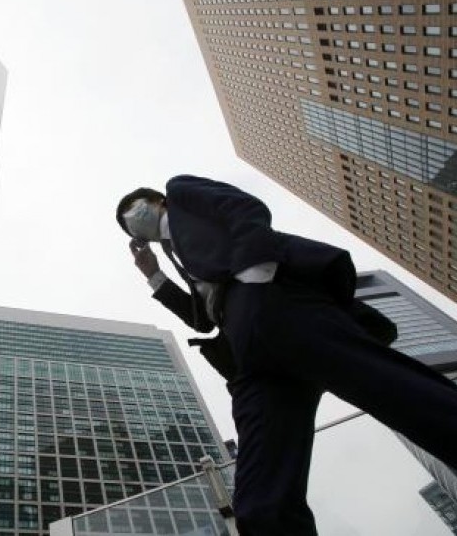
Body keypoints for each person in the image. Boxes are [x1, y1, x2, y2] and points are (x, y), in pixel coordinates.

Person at [116, 174, 457, 536]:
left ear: (154, 199)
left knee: (394, 390)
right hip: (247, 349)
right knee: (261, 494)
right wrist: (154, 275)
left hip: (274, 304)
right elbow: (200, 320)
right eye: (126, 224)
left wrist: (256, 275)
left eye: (131, 210)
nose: (130, 219)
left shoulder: (180, 191)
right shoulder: (174, 253)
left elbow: (243, 207)